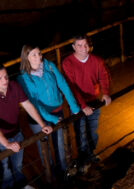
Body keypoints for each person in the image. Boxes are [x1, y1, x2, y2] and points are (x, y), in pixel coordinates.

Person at [0, 62, 53, 189]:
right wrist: (6, 144)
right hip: (0, 138)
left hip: (16, 132)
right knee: (5, 167)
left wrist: (43, 124)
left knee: (18, 163)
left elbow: (28, 106)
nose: (5, 80)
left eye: (5, 76)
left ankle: (21, 184)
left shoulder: (14, 86)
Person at [18, 45, 91, 177]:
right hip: (38, 117)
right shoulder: (23, 78)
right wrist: (50, 119)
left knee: (60, 143)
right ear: (26, 58)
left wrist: (74, 107)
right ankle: (50, 174)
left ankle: (64, 171)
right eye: (34, 55)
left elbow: (63, 84)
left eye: (39, 53)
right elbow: (34, 102)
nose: (38, 57)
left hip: (57, 110)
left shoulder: (49, 65)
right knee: (44, 146)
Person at [61, 34, 112, 163]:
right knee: (81, 132)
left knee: (93, 131)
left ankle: (91, 153)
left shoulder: (97, 60)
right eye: (79, 45)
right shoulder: (68, 63)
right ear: (73, 47)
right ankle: (84, 157)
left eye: (85, 45)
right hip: (77, 104)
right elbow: (71, 86)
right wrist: (83, 106)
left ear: (89, 46)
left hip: (94, 99)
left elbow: (104, 77)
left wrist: (106, 93)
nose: (83, 48)